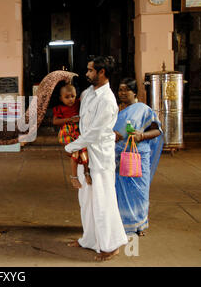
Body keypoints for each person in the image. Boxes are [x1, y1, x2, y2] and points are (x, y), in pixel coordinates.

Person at [64, 56, 128, 261]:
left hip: (100, 156)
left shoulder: (108, 100)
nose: (87, 73)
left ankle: (111, 245)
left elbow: (96, 132)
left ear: (102, 73)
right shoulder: (87, 93)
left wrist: (71, 146)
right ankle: (89, 240)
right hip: (85, 154)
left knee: (103, 200)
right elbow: (84, 124)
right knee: (86, 200)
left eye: (91, 70)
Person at [114, 78, 163, 236]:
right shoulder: (116, 110)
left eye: (126, 90)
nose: (122, 93)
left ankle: (140, 224)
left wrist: (141, 136)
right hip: (119, 157)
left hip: (138, 155)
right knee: (121, 191)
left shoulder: (143, 109)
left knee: (139, 191)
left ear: (134, 92)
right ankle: (123, 224)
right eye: (120, 90)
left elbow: (157, 131)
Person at [52, 83, 92, 187]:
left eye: (72, 96)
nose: (70, 99)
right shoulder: (59, 108)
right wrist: (70, 119)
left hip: (77, 131)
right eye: (67, 97)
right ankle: (74, 177)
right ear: (61, 98)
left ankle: (86, 172)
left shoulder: (78, 104)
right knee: (75, 150)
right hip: (67, 132)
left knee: (84, 150)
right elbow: (55, 121)